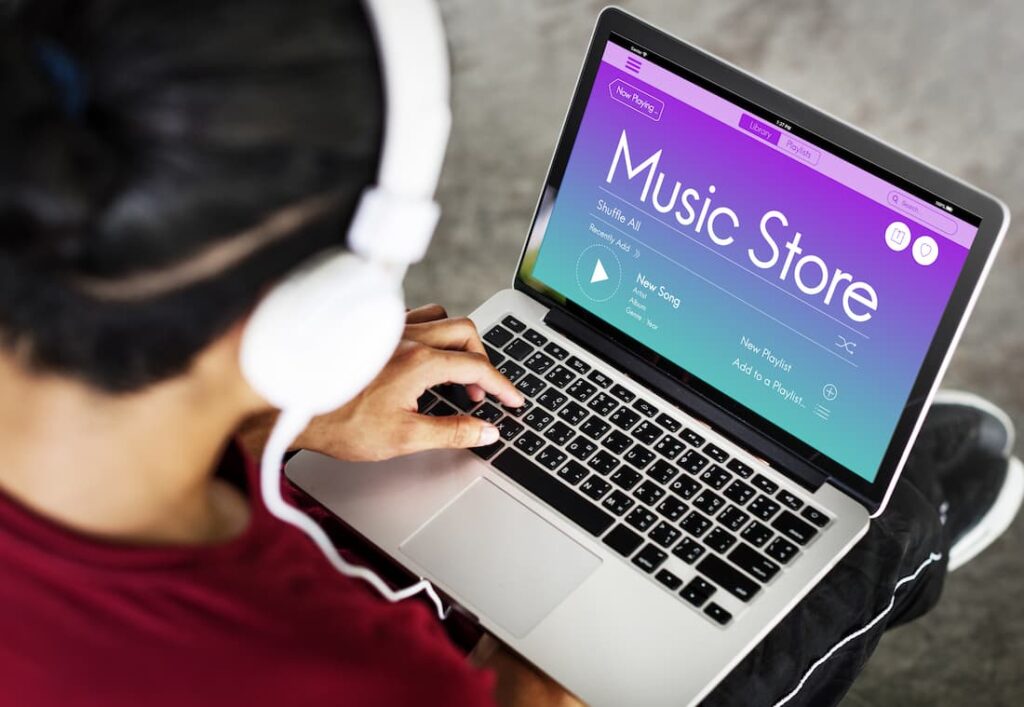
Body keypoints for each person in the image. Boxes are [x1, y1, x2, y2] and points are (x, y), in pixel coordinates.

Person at [0, 2, 1019, 706]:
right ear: (326, 312)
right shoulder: (367, 677)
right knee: (868, 525)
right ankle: (911, 542)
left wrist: (284, 421)